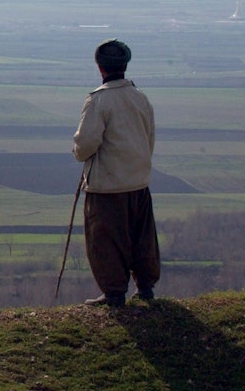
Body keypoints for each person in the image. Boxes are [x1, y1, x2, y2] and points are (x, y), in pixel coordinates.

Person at [71, 39, 159, 307]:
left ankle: (114, 294)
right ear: (124, 65)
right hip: (139, 183)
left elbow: (85, 145)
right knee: (142, 239)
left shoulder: (98, 101)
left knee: (105, 241)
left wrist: (78, 152)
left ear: (100, 69)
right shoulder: (140, 98)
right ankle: (145, 289)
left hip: (107, 188)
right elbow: (149, 139)